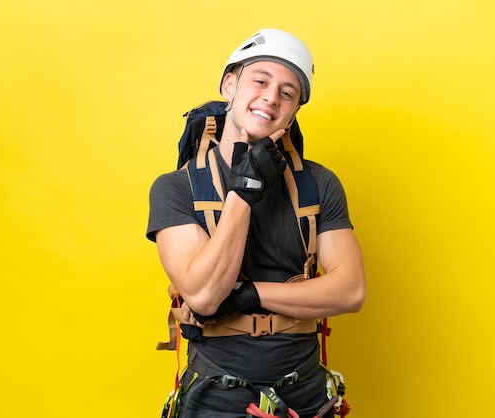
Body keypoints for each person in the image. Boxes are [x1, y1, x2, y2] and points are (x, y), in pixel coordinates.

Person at [146, 28, 366, 418]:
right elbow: (204, 295)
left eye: (287, 92)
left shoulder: (319, 183)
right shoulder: (176, 188)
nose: (271, 97)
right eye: (260, 81)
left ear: (295, 109)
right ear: (230, 85)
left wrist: (252, 295)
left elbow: (350, 291)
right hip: (214, 398)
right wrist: (243, 191)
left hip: (306, 396)